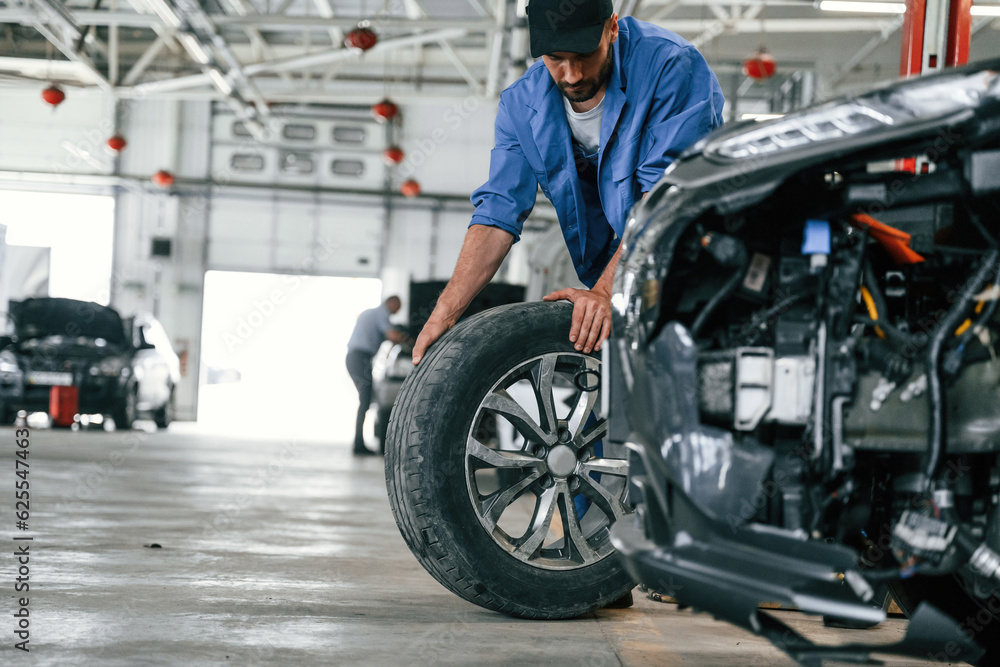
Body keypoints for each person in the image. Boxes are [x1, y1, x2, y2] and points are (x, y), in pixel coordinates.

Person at [412, 0, 725, 365]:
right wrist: (445, 312)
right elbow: (498, 211)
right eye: (555, 58)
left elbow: (668, 197)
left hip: (694, 263)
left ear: (611, 28)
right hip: (618, 275)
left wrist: (607, 291)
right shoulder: (520, 106)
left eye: (584, 54)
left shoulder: (671, 66)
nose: (572, 74)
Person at [346, 296, 408, 456]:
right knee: (365, 400)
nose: (397, 312)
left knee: (365, 400)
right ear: (391, 303)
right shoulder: (382, 314)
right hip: (359, 358)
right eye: (397, 308)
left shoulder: (371, 314)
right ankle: (358, 444)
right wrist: (409, 340)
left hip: (356, 358)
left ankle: (358, 443)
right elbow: (392, 335)